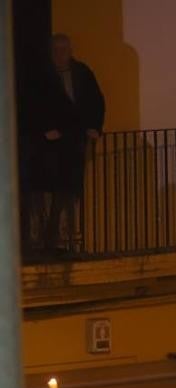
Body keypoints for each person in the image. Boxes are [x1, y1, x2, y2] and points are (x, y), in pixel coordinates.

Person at [28, 34, 104, 253]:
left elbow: (96, 102)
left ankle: (64, 239)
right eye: (56, 50)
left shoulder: (82, 73)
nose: (60, 54)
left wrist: (94, 127)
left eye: (64, 49)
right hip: (48, 146)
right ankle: (45, 241)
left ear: (70, 51)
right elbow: (32, 107)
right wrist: (43, 130)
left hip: (72, 142)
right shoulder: (40, 76)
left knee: (68, 191)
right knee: (47, 191)